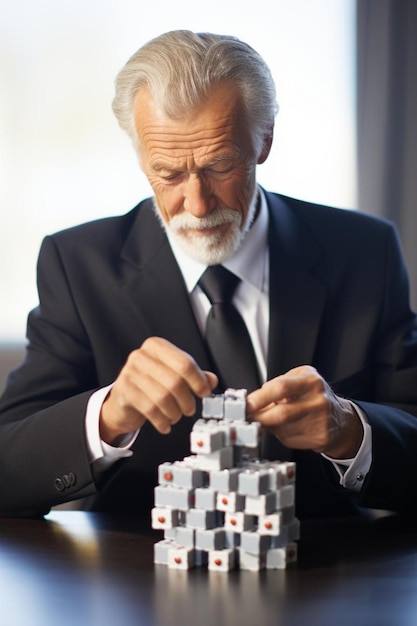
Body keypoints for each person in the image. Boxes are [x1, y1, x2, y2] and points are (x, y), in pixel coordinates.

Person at [1, 30, 417, 521]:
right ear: (139, 159)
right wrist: (107, 415)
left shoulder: (365, 252)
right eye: (169, 174)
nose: (196, 206)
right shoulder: (77, 263)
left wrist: (352, 429)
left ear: (264, 140)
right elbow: (8, 467)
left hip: (329, 577)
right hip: (137, 579)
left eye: (219, 166)